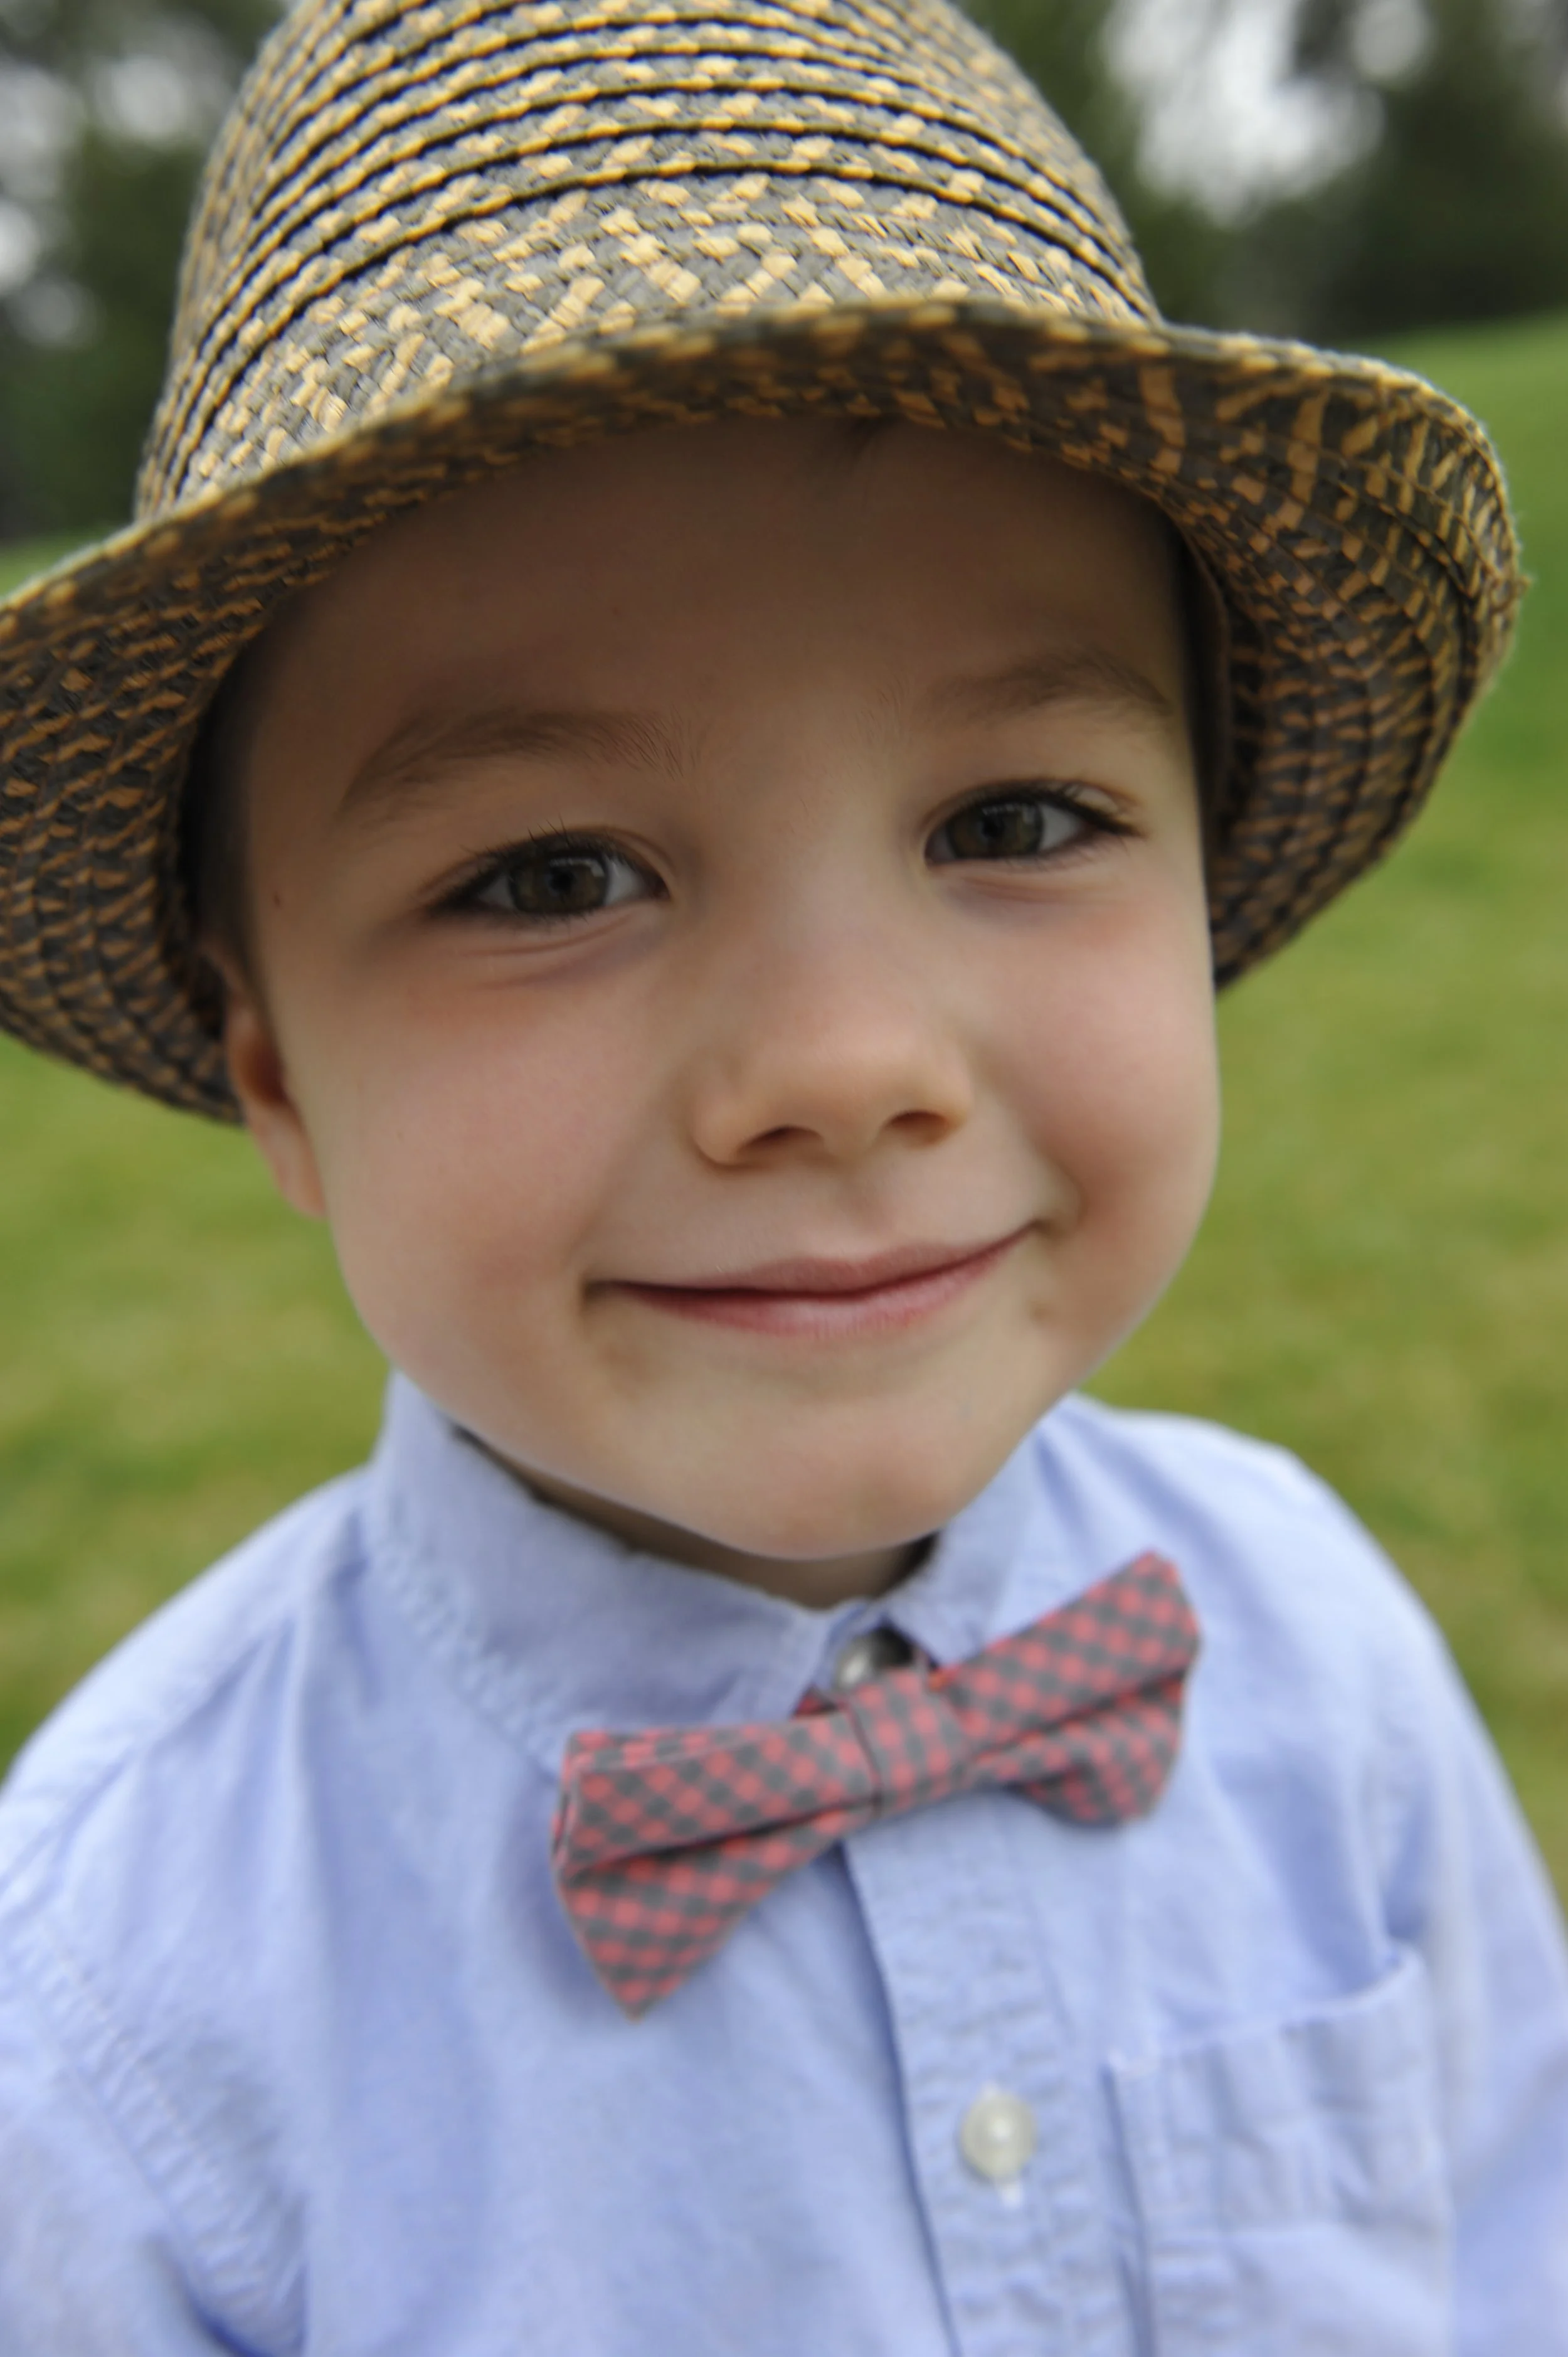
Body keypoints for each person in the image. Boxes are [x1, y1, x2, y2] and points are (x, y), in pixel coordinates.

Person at [0, 0, 1564, 2344]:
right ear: (274, 1068)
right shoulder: (112, 2002)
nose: (842, 1070)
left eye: (1014, 819)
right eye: (550, 877)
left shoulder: (1310, 1646)